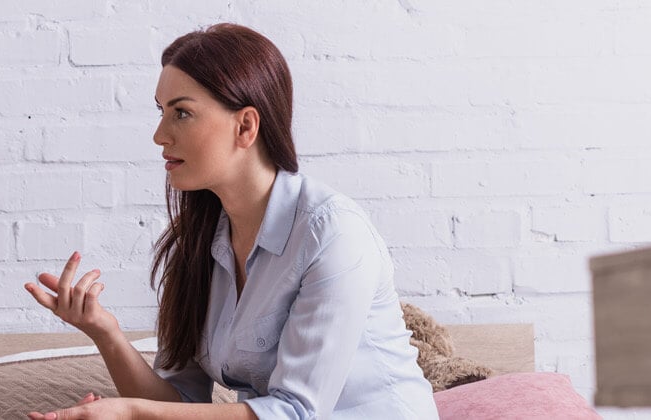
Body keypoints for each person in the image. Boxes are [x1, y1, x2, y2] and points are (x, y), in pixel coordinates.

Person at [23, 23, 440, 419]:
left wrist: (130, 411)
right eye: (160, 111)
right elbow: (182, 403)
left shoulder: (332, 233)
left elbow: (296, 412)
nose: (159, 135)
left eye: (181, 113)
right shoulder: (198, 244)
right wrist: (104, 332)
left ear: (245, 125)